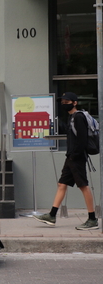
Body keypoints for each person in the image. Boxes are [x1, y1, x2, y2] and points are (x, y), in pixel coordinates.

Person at [33, 92, 99, 230]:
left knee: (83, 186)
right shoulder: (71, 117)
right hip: (71, 157)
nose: (64, 104)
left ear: (74, 103)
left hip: (76, 158)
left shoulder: (79, 117)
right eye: (62, 101)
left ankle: (92, 219)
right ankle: (51, 215)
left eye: (67, 101)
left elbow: (82, 140)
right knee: (61, 184)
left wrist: (75, 156)